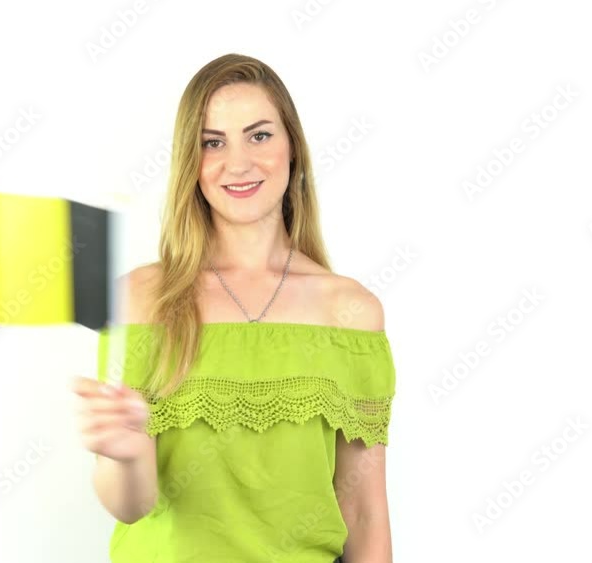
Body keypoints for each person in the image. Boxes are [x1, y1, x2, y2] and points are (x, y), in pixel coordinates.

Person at [72, 53, 396, 563]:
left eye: (260, 135)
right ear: (190, 162)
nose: (238, 162)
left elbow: (364, 511)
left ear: (293, 148)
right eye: (213, 142)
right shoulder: (140, 300)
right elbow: (131, 506)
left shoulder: (350, 311)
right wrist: (126, 451)